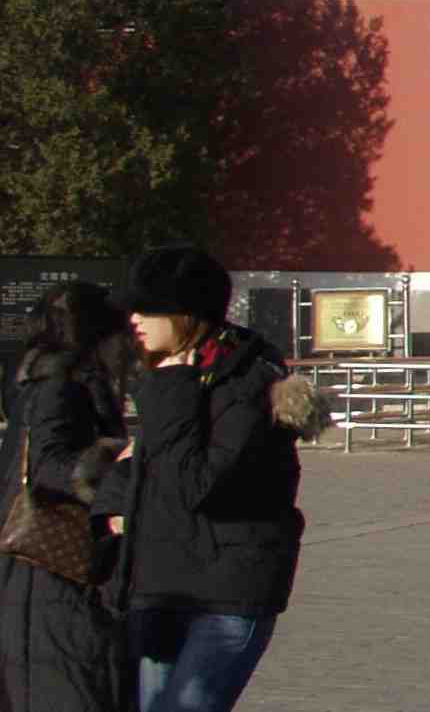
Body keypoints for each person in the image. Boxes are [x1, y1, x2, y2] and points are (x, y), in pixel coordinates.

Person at [95, 246, 325, 712]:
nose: (134, 320)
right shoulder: (178, 375)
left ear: (186, 314)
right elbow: (143, 459)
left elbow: (195, 483)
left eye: (148, 308)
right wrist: (114, 507)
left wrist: (170, 388)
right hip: (161, 585)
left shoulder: (246, 382)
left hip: (226, 594)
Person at [0, 282, 132, 712]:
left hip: (38, 566)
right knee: (66, 684)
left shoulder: (42, 382)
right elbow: (50, 465)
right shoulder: (61, 385)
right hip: (50, 562)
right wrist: (119, 462)